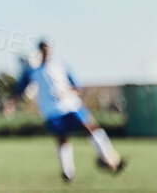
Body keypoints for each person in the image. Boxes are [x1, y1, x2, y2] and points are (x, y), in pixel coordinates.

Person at [16, 39, 125, 182]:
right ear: (39, 50)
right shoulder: (32, 70)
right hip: (50, 111)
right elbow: (19, 89)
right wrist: (12, 102)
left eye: (48, 48)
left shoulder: (60, 66)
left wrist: (66, 92)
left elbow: (76, 87)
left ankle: (108, 158)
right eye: (43, 49)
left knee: (90, 127)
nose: (45, 51)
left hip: (70, 105)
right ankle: (67, 173)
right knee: (62, 139)